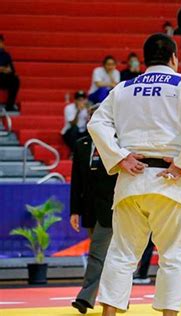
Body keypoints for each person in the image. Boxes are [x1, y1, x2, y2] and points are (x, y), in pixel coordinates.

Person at [87, 33, 181, 316]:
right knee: (175, 255)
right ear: (174, 58)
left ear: (145, 60)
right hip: (170, 180)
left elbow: (97, 123)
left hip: (131, 179)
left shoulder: (122, 88)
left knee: (121, 252)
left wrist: (120, 156)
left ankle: (109, 313)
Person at [69, 104, 118, 314]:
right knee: (108, 257)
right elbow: (77, 181)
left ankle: (85, 297)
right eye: (90, 116)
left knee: (97, 254)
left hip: (114, 208)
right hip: (90, 209)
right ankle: (117, 298)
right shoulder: (82, 144)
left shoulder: (118, 143)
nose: (92, 120)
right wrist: (75, 211)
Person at [0, 34, 20, 111]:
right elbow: (6, 69)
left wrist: (2, 69)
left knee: (15, 80)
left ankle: (9, 106)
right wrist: (4, 69)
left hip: (3, 78)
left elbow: (11, 70)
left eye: (1, 42)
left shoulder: (6, 55)